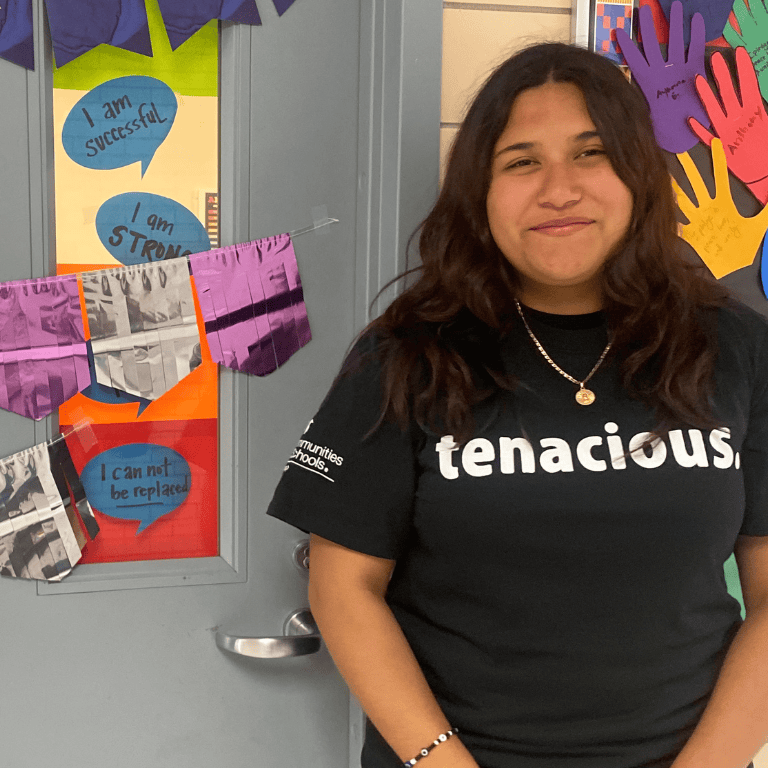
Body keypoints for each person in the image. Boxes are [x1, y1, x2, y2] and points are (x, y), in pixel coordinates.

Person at [266, 42, 768, 768]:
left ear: (637, 175)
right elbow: (343, 587)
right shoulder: (406, 354)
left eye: (591, 153)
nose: (558, 188)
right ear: (482, 192)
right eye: (522, 161)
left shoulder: (736, 348)